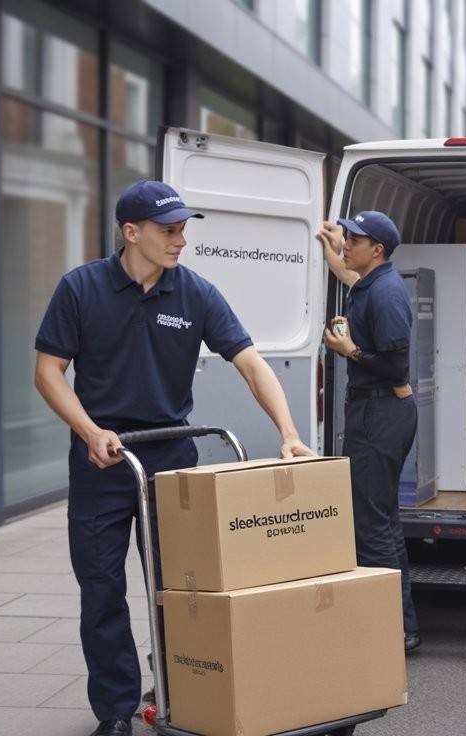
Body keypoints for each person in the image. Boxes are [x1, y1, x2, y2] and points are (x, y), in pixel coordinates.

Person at [34, 180, 314, 736]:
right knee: (101, 586)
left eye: (184, 228)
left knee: (177, 585)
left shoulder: (196, 294)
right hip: (103, 459)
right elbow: (48, 373)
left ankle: (179, 683)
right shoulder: (81, 289)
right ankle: (114, 710)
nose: (181, 239)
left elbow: (252, 364)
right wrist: (90, 431)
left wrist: (288, 431)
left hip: (171, 456)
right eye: (169, 230)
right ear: (131, 232)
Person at [317, 211, 421, 652]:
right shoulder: (370, 282)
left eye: (353, 239)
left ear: (376, 249)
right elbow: (348, 271)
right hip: (374, 413)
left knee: (371, 525)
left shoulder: (387, 295)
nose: (347, 244)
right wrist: (332, 251)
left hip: (381, 416)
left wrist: (349, 351)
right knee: (383, 520)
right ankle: (403, 625)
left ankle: (388, 631)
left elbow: (397, 366)